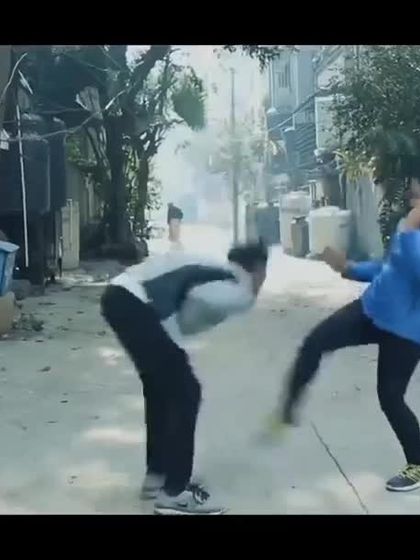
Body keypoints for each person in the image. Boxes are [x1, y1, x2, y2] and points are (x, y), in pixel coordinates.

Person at [272, 177, 420, 493]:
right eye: (412, 192)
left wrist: (409, 230)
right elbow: (391, 268)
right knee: (315, 341)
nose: (411, 198)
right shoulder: (408, 228)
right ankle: (287, 409)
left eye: (417, 194)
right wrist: (351, 268)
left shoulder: (410, 230)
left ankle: (418, 464)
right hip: (370, 310)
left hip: (405, 331)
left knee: (390, 398)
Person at [101, 241, 268, 514]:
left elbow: (185, 304)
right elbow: (197, 298)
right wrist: (249, 295)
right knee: (187, 392)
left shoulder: (215, 267)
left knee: (160, 391)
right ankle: (174, 492)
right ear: (258, 269)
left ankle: (157, 478)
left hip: (118, 297)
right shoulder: (237, 283)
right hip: (137, 303)